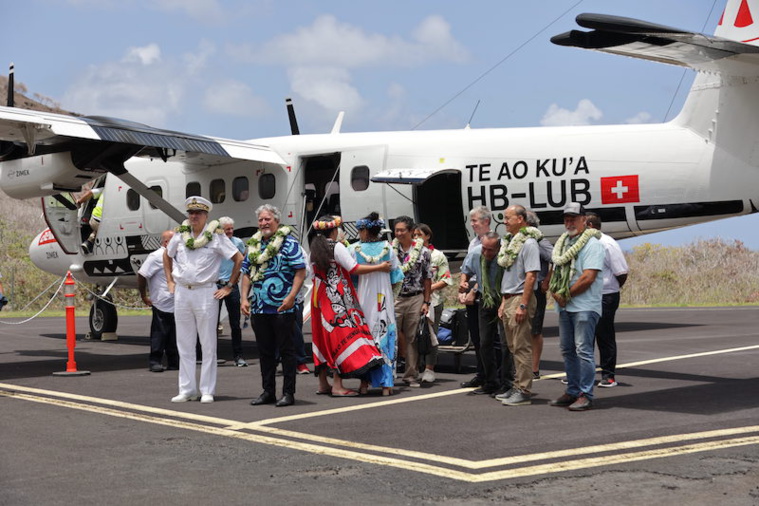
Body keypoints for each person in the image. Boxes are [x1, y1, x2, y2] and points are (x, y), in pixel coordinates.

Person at [163, 197, 243, 404]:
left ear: (206, 216)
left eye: (198, 213)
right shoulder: (180, 235)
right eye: (191, 213)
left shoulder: (216, 237)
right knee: (184, 343)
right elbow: (167, 255)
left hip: (205, 292)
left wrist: (229, 286)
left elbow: (238, 258)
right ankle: (187, 389)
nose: (194, 216)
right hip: (182, 291)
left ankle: (207, 389)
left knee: (208, 343)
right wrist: (170, 280)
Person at [309, 215, 391, 397]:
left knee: (324, 338)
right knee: (341, 336)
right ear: (334, 230)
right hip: (337, 296)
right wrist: (379, 267)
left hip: (319, 297)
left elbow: (311, 273)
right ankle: (337, 385)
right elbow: (354, 268)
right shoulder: (336, 246)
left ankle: (323, 383)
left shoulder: (314, 248)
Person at [241, 205, 306, 408]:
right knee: (265, 351)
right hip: (259, 307)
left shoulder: (289, 243)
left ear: (276, 221)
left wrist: (292, 296)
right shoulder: (253, 244)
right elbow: (245, 272)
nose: (263, 223)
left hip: (282, 307)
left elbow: (300, 271)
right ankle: (268, 391)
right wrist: (244, 298)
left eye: (267, 219)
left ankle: (288, 393)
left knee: (287, 351)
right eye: (260, 220)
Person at [549, 202, 604, 411]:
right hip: (565, 307)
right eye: (566, 219)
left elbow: (588, 277)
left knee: (583, 350)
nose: (569, 222)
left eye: (573, 218)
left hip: (584, 306)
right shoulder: (563, 244)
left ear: (584, 220)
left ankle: (585, 394)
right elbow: (555, 273)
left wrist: (565, 295)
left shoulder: (592, 244)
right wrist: (556, 293)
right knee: (567, 350)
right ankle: (572, 390)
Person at [350, 212, 404, 396]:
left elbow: (351, 276)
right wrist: (391, 295)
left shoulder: (354, 249)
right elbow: (397, 276)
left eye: (360, 230)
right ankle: (386, 385)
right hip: (383, 297)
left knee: (366, 339)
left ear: (365, 231)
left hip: (363, 298)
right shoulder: (388, 248)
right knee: (385, 336)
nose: (359, 233)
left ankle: (364, 384)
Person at [496, 205, 541, 406]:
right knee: (513, 346)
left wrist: (522, 305)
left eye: (508, 218)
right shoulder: (510, 242)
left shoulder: (529, 243)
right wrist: (504, 301)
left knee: (521, 346)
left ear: (521, 219)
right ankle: (516, 385)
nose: (504, 221)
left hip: (520, 298)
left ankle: (524, 390)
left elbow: (531, 275)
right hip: (509, 297)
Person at [460, 231, 514, 397]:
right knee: (485, 342)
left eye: (490, 250)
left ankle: (507, 382)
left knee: (506, 344)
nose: (486, 253)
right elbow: (466, 270)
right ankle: (490, 381)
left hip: (505, 297)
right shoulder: (476, 252)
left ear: (499, 247)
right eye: (484, 249)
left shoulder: (507, 256)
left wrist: (504, 304)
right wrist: (463, 283)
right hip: (486, 299)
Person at [586, 212, 629, 388]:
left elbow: (622, 272)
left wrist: (610, 288)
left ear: (589, 225)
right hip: (586, 296)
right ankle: (582, 373)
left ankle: (608, 375)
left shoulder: (607, 243)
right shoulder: (583, 244)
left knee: (604, 335)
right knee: (584, 336)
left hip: (605, 296)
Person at [393, 215, 432, 388]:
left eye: (402, 230)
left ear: (410, 232)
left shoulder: (423, 251)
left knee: (411, 338)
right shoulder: (390, 250)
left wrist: (426, 301)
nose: (399, 233)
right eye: (396, 230)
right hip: (395, 297)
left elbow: (427, 278)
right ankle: (388, 373)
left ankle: (410, 374)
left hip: (415, 297)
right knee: (390, 335)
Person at [413, 223, 452, 384]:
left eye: (419, 235)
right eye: (414, 235)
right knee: (412, 336)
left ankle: (429, 368)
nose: (416, 238)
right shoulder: (409, 255)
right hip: (413, 300)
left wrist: (428, 290)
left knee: (430, 335)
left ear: (428, 236)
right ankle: (414, 367)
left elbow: (446, 279)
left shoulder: (437, 256)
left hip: (433, 301)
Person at [459, 206, 494, 389]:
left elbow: (490, 273)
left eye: (475, 221)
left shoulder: (493, 242)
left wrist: (475, 290)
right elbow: (467, 269)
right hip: (472, 288)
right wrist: (463, 286)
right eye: (471, 221)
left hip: (485, 291)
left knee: (487, 337)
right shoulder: (473, 243)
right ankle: (481, 373)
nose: (472, 224)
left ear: (486, 221)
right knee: (476, 335)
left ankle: (491, 376)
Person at [137, 230, 179, 373]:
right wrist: (144, 295)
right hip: (162, 302)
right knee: (159, 334)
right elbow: (142, 275)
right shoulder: (155, 256)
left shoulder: (179, 256)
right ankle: (155, 360)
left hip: (177, 302)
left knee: (174, 335)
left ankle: (174, 361)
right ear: (166, 242)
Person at [216, 216, 248, 367]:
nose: (229, 231)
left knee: (235, 323)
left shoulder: (238, 243)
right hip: (216, 286)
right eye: (226, 229)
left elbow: (242, 261)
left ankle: (238, 355)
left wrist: (234, 281)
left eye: (231, 229)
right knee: (212, 323)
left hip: (231, 286)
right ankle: (210, 355)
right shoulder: (214, 243)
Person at [525, 210, 553, 379]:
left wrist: (547, 280)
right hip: (519, 289)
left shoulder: (540, 241)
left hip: (536, 290)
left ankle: (534, 368)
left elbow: (556, 259)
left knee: (535, 330)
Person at [76, 183, 105, 255]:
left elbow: (91, 193)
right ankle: (91, 243)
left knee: (97, 230)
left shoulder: (104, 189)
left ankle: (89, 242)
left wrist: (79, 201)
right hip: (102, 221)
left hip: (94, 218)